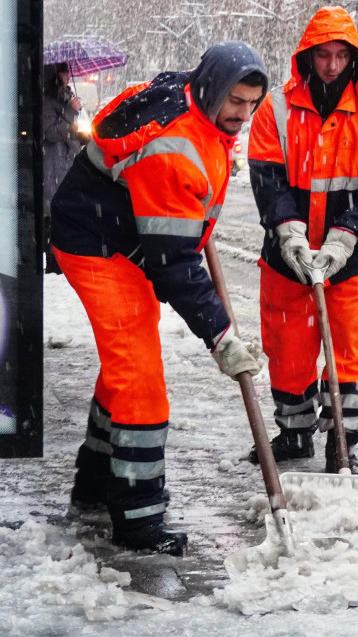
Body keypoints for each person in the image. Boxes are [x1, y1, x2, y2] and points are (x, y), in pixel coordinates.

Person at [49, 42, 267, 556]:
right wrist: (221, 336)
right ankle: (138, 519)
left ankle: (95, 484)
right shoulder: (176, 145)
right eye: (235, 101)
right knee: (140, 378)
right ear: (213, 88)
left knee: (127, 364)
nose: (243, 114)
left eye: (252, 104)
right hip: (99, 244)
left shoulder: (193, 100)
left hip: (121, 235)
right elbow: (173, 266)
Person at [247, 6, 358, 475]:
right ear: (307, 56)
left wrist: (344, 237)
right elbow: (268, 180)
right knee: (288, 346)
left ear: (354, 59)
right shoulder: (275, 110)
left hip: (354, 259)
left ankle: (341, 442)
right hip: (287, 257)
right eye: (323, 55)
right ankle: (294, 435)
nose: (332, 66)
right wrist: (289, 232)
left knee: (349, 348)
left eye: (341, 56)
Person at [42, 62, 83, 274]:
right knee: (53, 212)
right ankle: (53, 261)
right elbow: (51, 132)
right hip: (54, 164)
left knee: (64, 212)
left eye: (68, 73)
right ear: (55, 75)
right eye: (64, 73)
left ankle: (61, 260)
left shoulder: (66, 97)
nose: (68, 77)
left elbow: (70, 129)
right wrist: (70, 111)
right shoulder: (48, 100)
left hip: (66, 162)